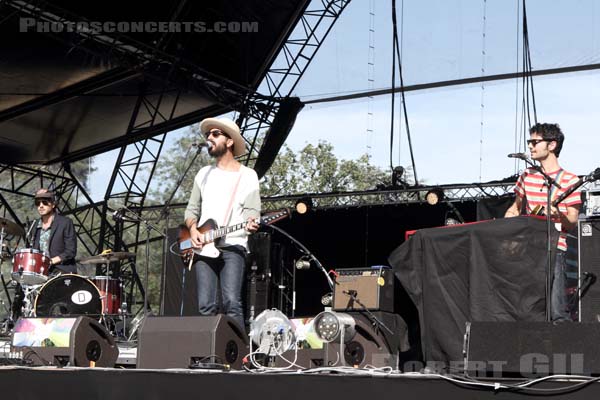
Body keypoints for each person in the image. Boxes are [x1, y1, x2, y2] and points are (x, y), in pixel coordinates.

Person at [184, 117, 261, 330]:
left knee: (231, 302)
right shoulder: (203, 174)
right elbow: (191, 210)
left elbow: (252, 211)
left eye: (215, 134)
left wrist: (251, 223)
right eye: (208, 134)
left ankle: (239, 355)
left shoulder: (247, 175)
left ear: (229, 142)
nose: (209, 137)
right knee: (205, 305)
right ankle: (205, 352)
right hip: (203, 247)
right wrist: (192, 230)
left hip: (233, 245)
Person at [504, 123, 581, 321]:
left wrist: (558, 215)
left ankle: (562, 348)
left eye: (535, 142)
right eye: (529, 142)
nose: (530, 146)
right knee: (528, 308)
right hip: (529, 248)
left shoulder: (570, 181)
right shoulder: (527, 175)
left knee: (557, 309)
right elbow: (515, 208)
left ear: (552, 145)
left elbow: (571, 222)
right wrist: (506, 229)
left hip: (556, 248)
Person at [30, 189, 77, 274]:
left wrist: (50, 261)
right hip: (39, 272)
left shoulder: (65, 222)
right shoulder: (34, 225)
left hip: (61, 271)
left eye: (44, 202)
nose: (41, 206)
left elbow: (71, 251)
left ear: (53, 204)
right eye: (38, 203)